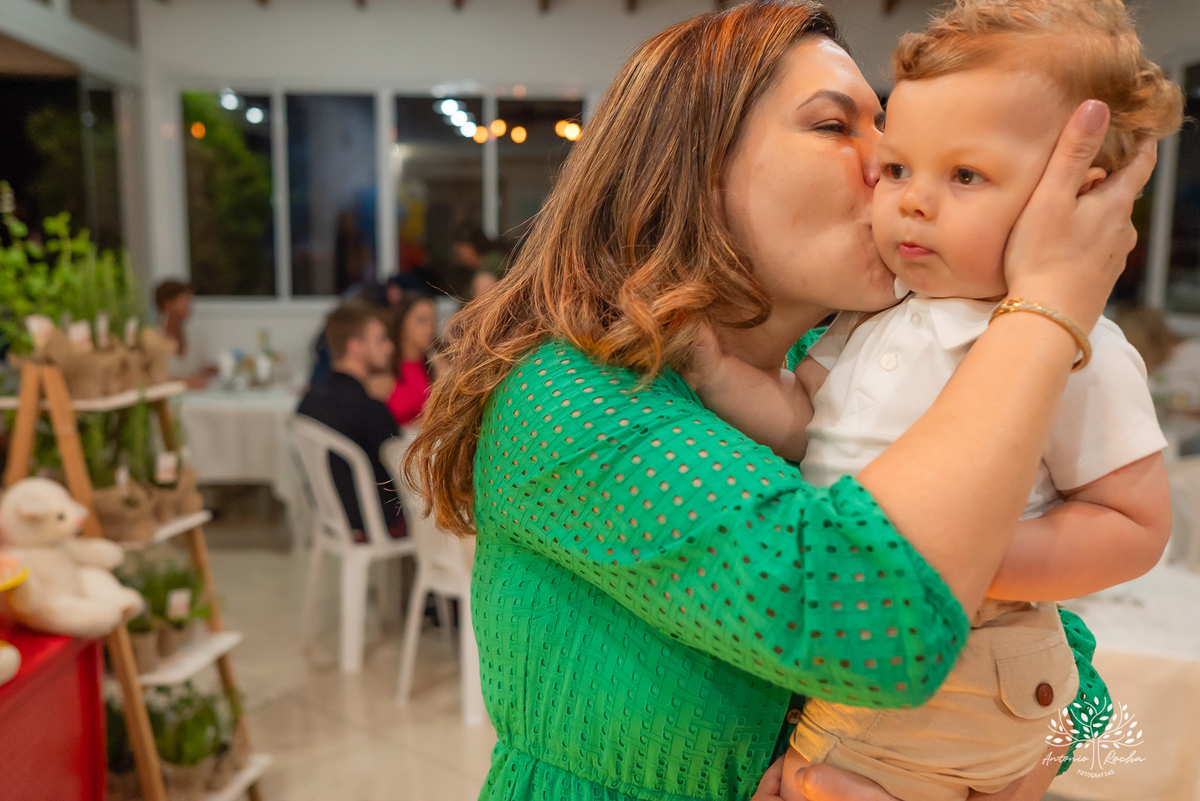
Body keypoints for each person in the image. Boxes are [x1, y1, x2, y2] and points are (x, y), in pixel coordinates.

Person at [402, 3, 1155, 800]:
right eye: (837, 127)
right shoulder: (571, 398)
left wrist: (1017, 767)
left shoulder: (834, 372)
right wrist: (1047, 304)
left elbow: (1072, 670)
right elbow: (876, 615)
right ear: (690, 168)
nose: (892, 160)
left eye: (889, 129)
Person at [683, 2, 1178, 799]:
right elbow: (801, 421)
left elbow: (1134, 524)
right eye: (900, 169)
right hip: (864, 640)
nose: (911, 201)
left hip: (970, 662)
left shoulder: (1073, 347)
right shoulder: (875, 318)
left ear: (1078, 198)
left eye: (966, 175)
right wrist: (710, 372)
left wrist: (971, 557)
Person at [297, 303, 404, 540]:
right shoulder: (366, 408)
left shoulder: (309, 400)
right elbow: (403, 463)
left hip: (333, 514)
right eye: (381, 340)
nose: (390, 347)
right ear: (356, 347)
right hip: (370, 519)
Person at [386, 294, 439, 427]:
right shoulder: (385, 366)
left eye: (433, 321)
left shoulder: (436, 366)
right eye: (422, 320)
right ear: (401, 322)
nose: (430, 328)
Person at [154, 279, 209, 389]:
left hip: (195, 400)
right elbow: (151, 379)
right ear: (168, 304)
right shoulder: (153, 339)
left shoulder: (193, 335)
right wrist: (185, 382)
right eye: (184, 299)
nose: (190, 304)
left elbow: (200, 369)